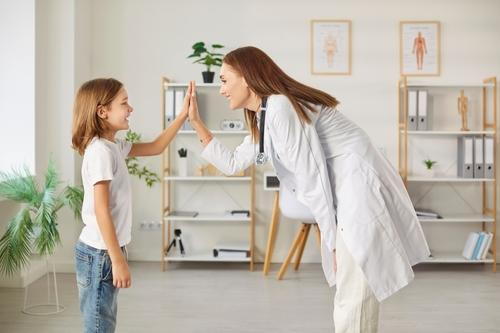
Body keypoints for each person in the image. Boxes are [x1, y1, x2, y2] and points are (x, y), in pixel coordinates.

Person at [185, 46, 430, 333]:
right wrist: (196, 123)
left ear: (247, 78)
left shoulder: (279, 107)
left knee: (354, 288)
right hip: (346, 190)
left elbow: (311, 177)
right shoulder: (266, 114)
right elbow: (233, 164)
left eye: (225, 80)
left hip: (358, 186)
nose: (221, 90)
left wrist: (332, 242)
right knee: (354, 288)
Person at [71, 78, 191, 332]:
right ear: (102, 112)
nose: (131, 109)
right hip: (100, 253)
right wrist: (118, 260)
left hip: (103, 252)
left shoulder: (112, 146)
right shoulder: (101, 152)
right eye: (124, 103)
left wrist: (182, 116)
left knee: (103, 322)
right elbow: (101, 210)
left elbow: (156, 147)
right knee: (99, 326)